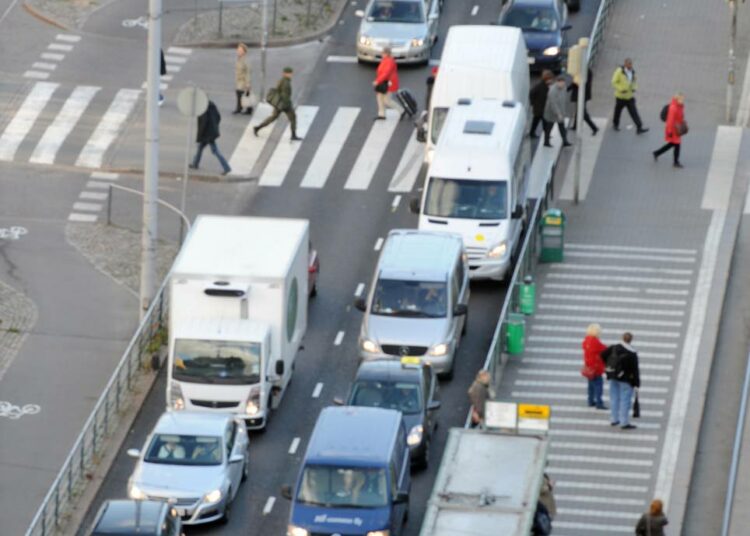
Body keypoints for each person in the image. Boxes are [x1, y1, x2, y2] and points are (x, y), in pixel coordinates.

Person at [602, 332, 641, 430]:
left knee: (614, 398)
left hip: (613, 376)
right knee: (625, 401)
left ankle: (614, 419)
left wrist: (608, 365)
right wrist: (636, 383)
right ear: (631, 340)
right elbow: (635, 370)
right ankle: (624, 422)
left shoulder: (614, 347)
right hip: (626, 380)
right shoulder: (632, 354)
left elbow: (602, 354)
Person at [254, 67, 302, 141]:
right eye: (289, 73)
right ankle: (293, 135)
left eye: (291, 73)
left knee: (273, 117)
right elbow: (283, 94)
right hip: (284, 104)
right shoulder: (285, 82)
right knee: (293, 118)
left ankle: (258, 128)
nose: (291, 74)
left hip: (281, 104)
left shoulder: (284, 81)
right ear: (285, 73)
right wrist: (286, 104)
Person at [188, 100, 232, 176]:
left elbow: (203, 123)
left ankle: (227, 168)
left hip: (207, 134)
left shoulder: (203, 109)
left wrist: (199, 136)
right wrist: (215, 126)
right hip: (212, 132)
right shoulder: (212, 106)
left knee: (215, 151)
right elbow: (218, 117)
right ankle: (195, 164)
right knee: (200, 148)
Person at [611, 58, 649, 134]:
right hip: (620, 97)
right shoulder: (619, 72)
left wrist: (634, 88)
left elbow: (634, 81)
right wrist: (621, 89)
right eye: (629, 64)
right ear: (625, 64)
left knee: (634, 112)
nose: (630, 66)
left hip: (629, 97)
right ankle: (615, 124)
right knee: (618, 111)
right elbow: (614, 82)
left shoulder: (632, 72)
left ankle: (639, 127)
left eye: (631, 64)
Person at [653, 93, 686, 168]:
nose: (683, 101)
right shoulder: (673, 108)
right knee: (676, 145)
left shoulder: (680, 106)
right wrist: (669, 132)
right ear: (677, 99)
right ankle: (676, 162)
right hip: (673, 129)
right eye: (681, 99)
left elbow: (680, 116)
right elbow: (670, 121)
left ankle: (657, 153)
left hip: (677, 128)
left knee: (672, 144)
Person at [581, 323, 607, 409]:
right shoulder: (595, 342)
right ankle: (599, 403)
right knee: (598, 386)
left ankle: (590, 401)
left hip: (588, 367)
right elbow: (604, 348)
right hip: (596, 368)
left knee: (590, 386)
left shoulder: (586, 340)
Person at [372, 47, 402, 120]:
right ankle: (381, 114)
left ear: (386, 53)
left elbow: (386, 73)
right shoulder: (385, 60)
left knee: (386, 100)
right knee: (379, 97)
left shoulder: (389, 61)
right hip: (384, 82)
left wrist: (377, 81)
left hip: (388, 83)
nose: (381, 54)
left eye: (383, 53)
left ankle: (401, 110)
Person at [543, 75, 571, 148]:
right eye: (561, 83)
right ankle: (546, 142)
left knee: (562, 127)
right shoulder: (552, 91)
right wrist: (558, 113)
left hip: (560, 112)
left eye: (564, 83)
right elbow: (553, 103)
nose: (563, 85)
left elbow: (563, 100)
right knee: (549, 128)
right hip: (551, 113)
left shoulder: (563, 88)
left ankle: (565, 141)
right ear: (557, 82)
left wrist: (562, 112)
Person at [569, 67, 598, 135]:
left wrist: (570, 87)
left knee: (582, 113)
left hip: (582, 95)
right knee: (578, 110)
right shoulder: (584, 70)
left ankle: (594, 128)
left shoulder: (585, 72)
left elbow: (578, 83)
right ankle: (575, 126)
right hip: (582, 94)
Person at [529, 70, 554, 138]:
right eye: (551, 79)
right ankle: (543, 134)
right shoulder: (540, 86)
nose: (551, 81)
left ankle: (534, 133)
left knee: (538, 121)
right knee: (541, 121)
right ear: (547, 79)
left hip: (542, 107)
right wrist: (533, 102)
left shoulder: (546, 86)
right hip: (539, 107)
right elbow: (531, 93)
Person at [234, 43, 252, 114]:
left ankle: (247, 109)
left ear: (244, 51)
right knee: (240, 94)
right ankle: (241, 108)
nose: (238, 51)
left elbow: (248, 72)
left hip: (244, 80)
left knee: (244, 94)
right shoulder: (239, 59)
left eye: (240, 50)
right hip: (239, 80)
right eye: (238, 50)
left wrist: (248, 83)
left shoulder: (246, 60)